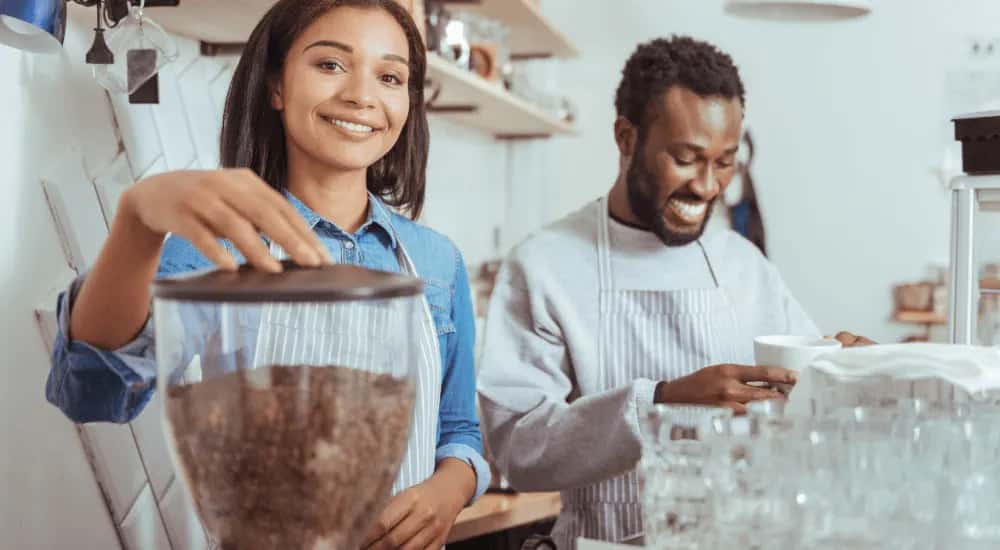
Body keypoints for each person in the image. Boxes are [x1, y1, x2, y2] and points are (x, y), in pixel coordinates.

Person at [45, 1, 488, 548]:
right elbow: (91, 391)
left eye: (390, 77)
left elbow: (459, 430)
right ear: (276, 85)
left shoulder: (437, 262)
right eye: (330, 64)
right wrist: (137, 222)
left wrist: (452, 487)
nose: (361, 95)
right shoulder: (217, 246)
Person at [477, 36, 873, 548]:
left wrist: (851, 374)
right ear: (626, 138)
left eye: (725, 162)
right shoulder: (545, 265)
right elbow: (519, 450)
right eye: (686, 158)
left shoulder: (743, 265)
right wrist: (660, 403)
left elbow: (801, 407)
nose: (708, 186)